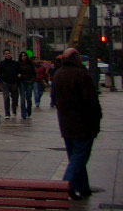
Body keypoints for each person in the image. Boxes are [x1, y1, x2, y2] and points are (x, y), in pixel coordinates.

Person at [52, 47, 102, 200]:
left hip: (65, 123)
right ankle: (65, 186)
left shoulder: (58, 74)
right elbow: (90, 101)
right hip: (82, 123)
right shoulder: (81, 74)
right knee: (80, 156)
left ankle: (83, 187)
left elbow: (53, 98)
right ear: (76, 58)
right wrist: (97, 117)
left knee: (75, 155)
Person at [0, 48, 21, 119]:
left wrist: (18, 78)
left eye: (9, 53)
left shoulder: (15, 63)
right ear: (4, 55)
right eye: (6, 54)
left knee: (15, 98)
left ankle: (14, 109)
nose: (8, 55)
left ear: (10, 54)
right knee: (6, 98)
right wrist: (1, 81)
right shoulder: (2, 63)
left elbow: (19, 72)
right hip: (5, 83)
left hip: (14, 83)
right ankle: (7, 113)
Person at [17, 52, 36, 120]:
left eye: (24, 55)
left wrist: (32, 80)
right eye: (22, 55)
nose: (23, 57)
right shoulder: (18, 64)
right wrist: (18, 75)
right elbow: (16, 72)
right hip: (22, 82)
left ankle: (28, 110)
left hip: (29, 82)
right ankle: (23, 113)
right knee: (22, 98)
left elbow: (34, 73)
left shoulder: (30, 64)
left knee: (28, 97)